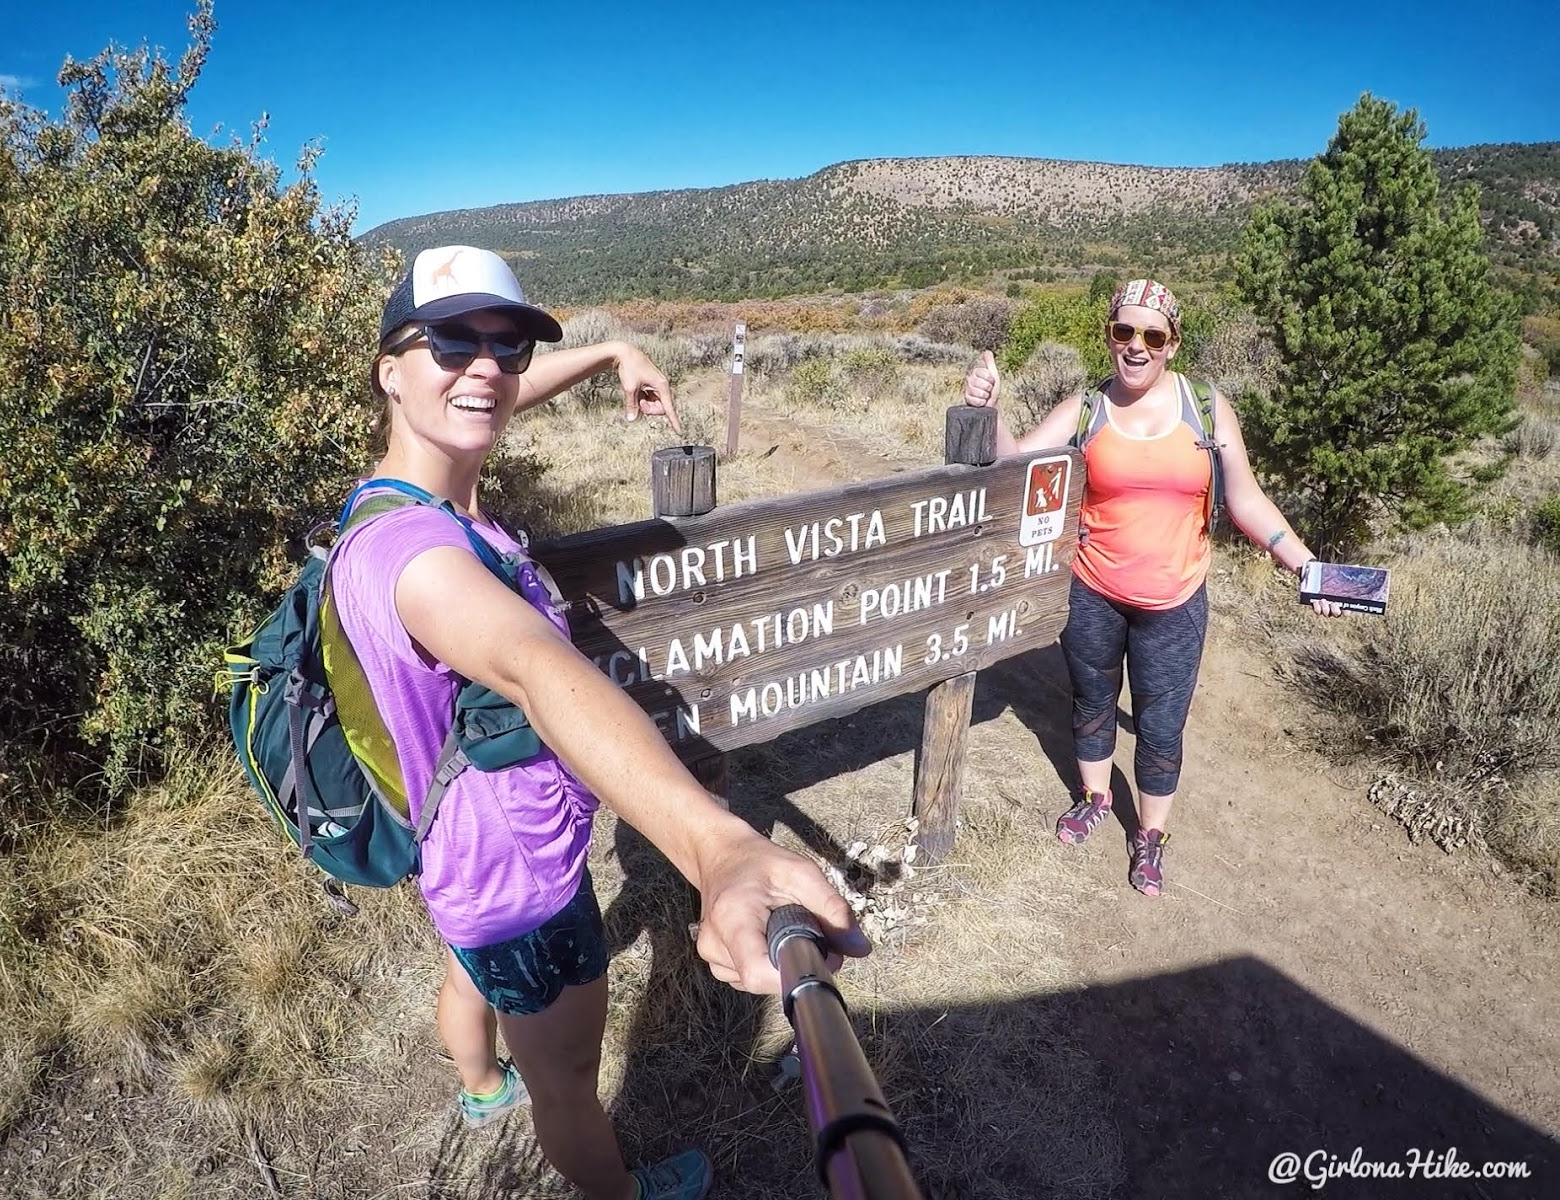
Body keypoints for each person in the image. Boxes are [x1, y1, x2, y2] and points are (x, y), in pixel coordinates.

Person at [334, 244, 867, 1200]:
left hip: (458, 861)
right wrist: (717, 849)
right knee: (572, 1086)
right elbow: (540, 674)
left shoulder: (410, 488)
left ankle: (479, 1086)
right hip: (524, 884)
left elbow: (485, 398)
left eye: (507, 347)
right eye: (453, 343)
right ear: (389, 367)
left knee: (470, 974)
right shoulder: (412, 555)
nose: (486, 369)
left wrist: (613, 351)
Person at [961, 278, 1341, 898]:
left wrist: (1304, 566)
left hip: (1175, 602)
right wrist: (989, 410)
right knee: (1090, 703)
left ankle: (1150, 837)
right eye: (1124, 331)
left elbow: (1245, 500)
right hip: (1092, 590)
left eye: (1153, 335)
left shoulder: (1207, 409)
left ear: (1172, 343)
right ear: (1109, 335)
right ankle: (1093, 797)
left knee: (1161, 727)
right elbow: (1020, 468)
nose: (1136, 346)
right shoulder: (1086, 407)